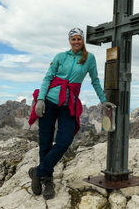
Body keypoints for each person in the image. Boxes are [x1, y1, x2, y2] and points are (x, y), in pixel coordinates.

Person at [27, 27, 115, 200]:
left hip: (69, 104)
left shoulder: (89, 58)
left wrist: (103, 100)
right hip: (50, 100)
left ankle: (37, 172)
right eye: (73, 39)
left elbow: (95, 80)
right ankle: (47, 180)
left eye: (79, 39)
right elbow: (48, 77)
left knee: (64, 140)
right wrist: (40, 99)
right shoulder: (60, 56)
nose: (76, 42)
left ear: (83, 41)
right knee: (45, 141)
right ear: (69, 41)